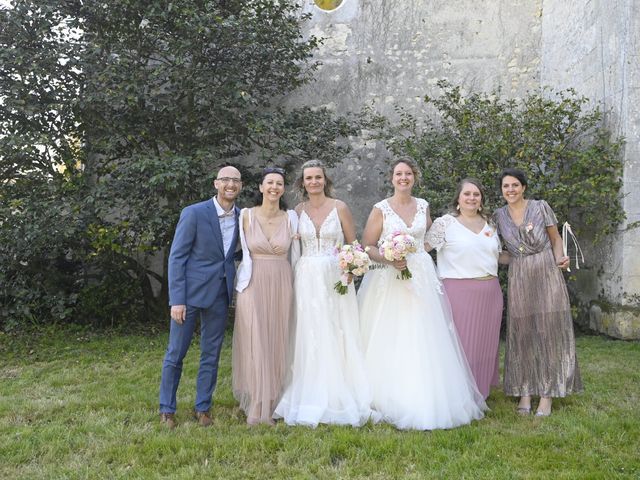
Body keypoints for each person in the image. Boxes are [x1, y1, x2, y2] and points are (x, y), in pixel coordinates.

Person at [358, 158, 486, 430]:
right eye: (398, 174)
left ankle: (424, 393)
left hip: (421, 276)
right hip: (388, 277)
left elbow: (426, 240)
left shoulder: (424, 205)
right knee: (390, 332)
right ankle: (383, 395)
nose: (403, 178)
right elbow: (367, 245)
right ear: (392, 178)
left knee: (423, 332)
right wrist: (389, 258)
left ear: (414, 177)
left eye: (408, 174)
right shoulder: (380, 209)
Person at [273, 159, 374, 427]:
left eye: (318, 177)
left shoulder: (340, 207)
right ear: (303, 183)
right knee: (310, 330)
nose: (314, 182)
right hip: (306, 277)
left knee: (337, 329)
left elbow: (353, 244)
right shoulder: (297, 211)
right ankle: (310, 387)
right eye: (309, 178)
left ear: (325, 180)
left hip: (335, 275)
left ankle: (340, 388)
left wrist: (352, 268)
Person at [493, 168, 582, 416]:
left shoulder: (541, 207)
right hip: (519, 275)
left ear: (523, 187)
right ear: (501, 190)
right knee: (523, 333)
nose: (510, 190)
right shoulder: (498, 216)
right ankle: (525, 391)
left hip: (546, 272)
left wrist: (561, 258)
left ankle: (547, 394)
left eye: (515, 185)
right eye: (506, 186)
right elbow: (497, 252)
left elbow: (555, 240)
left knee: (549, 331)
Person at [158, 165, 242, 429]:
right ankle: (167, 409)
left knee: (211, 354)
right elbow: (177, 257)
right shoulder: (194, 213)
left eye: (236, 180)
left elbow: (236, 253)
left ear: (240, 186)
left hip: (220, 294)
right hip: (190, 296)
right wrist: (177, 300)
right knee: (176, 353)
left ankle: (203, 407)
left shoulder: (243, 217)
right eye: (225, 179)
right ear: (216, 184)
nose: (231, 184)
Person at [425, 178, 503, 399]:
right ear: (458, 199)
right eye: (467, 194)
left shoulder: (491, 225)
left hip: (490, 292)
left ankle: (481, 392)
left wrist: (534, 257)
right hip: (458, 292)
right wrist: (396, 253)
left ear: (481, 200)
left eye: (476, 194)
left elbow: (499, 256)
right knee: (462, 344)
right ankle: (459, 395)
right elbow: (424, 249)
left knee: (485, 345)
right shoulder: (445, 223)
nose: (471, 198)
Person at [232, 167, 299, 426]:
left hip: (282, 282)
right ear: (260, 187)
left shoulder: (292, 217)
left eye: (279, 183)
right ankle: (256, 404)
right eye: (269, 182)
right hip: (253, 282)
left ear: (283, 189)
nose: (274, 187)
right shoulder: (246, 216)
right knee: (255, 338)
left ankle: (272, 401)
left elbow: (301, 252)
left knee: (276, 338)